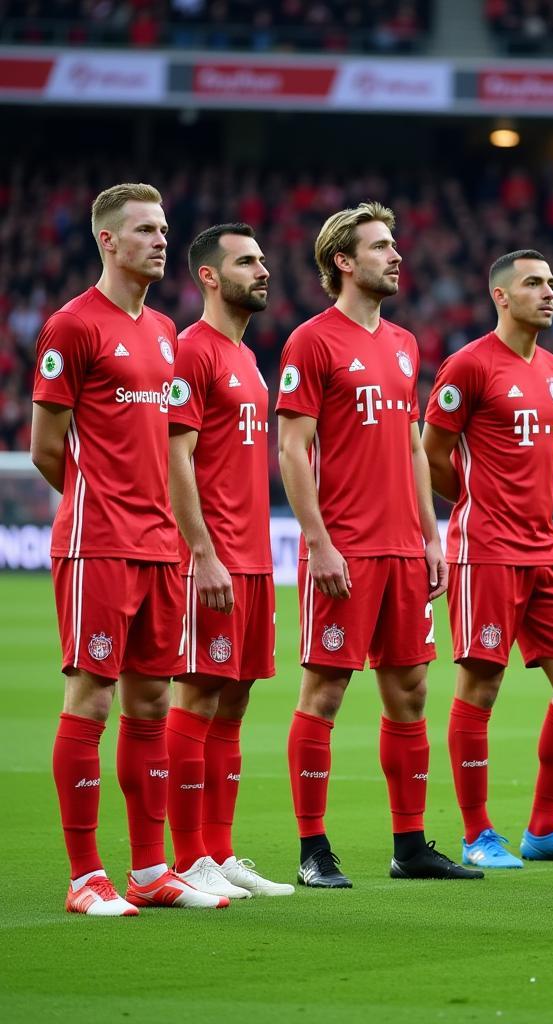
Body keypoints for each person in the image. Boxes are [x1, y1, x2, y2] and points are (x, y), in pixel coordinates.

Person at [31, 182, 225, 915]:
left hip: (161, 543)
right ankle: (86, 877)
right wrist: (98, 502)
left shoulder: (167, 330)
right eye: (144, 229)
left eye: (164, 228)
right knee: (92, 698)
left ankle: (149, 869)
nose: (160, 239)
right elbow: (48, 448)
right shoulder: (73, 326)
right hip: (99, 544)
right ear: (107, 240)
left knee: (150, 702)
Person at [276, 201, 482, 884]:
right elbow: (293, 449)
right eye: (381, 246)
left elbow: (415, 450)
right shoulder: (311, 341)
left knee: (411, 692)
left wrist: (431, 535)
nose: (396, 256)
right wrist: (319, 541)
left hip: (402, 546)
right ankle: (312, 851)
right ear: (343, 260)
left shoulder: (402, 343)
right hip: (344, 547)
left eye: (395, 245)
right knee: (325, 691)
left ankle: (410, 845)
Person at [423, 249, 553, 868]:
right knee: (482, 682)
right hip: (486, 549)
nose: (549, 292)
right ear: (501, 296)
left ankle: (545, 828)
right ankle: (477, 835)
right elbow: (432, 454)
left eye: (552, 282)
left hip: (544, 547)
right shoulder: (469, 365)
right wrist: (479, 501)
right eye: (534, 283)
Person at [165, 223, 294, 898]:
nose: (263, 269)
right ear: (210, 277)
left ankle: (218, 852)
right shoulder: (192, 352)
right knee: (199, 695)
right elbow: (174, 458)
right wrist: (202, 553)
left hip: (252, 557)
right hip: (210, 558)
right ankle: (187, 859)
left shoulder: (247, 358)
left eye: (263, 259)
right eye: (247, 261)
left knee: (235, 701)